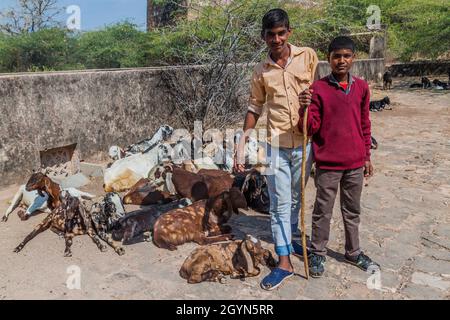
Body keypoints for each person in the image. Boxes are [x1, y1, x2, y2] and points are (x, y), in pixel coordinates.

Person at [234, 8, 318, 290]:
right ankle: (284, 261)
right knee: (279, 203)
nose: (277, 39)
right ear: (264, 37)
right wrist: (242, 142)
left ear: (289, 33)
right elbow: (254, 107)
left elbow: (320, 96)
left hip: (304, 143)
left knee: (296, 198)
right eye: (271, 35)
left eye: (281, 33)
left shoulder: (308, 56)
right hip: (275, 147)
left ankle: (289, 238)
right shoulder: (261, 71)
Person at [298, 36, 379, 278]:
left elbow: (365, 123)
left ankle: (353, 252)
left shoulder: (362, 87)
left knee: (352, 210)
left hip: (354, 163)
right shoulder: (318, 89)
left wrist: (366, 156)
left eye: (346, 56)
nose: (341, 60)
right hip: (328, 165)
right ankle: (318, 253)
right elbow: (310, 128)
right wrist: (304, 107)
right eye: (336, 56)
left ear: (353, 59)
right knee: (323, 210)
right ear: (329, 59)